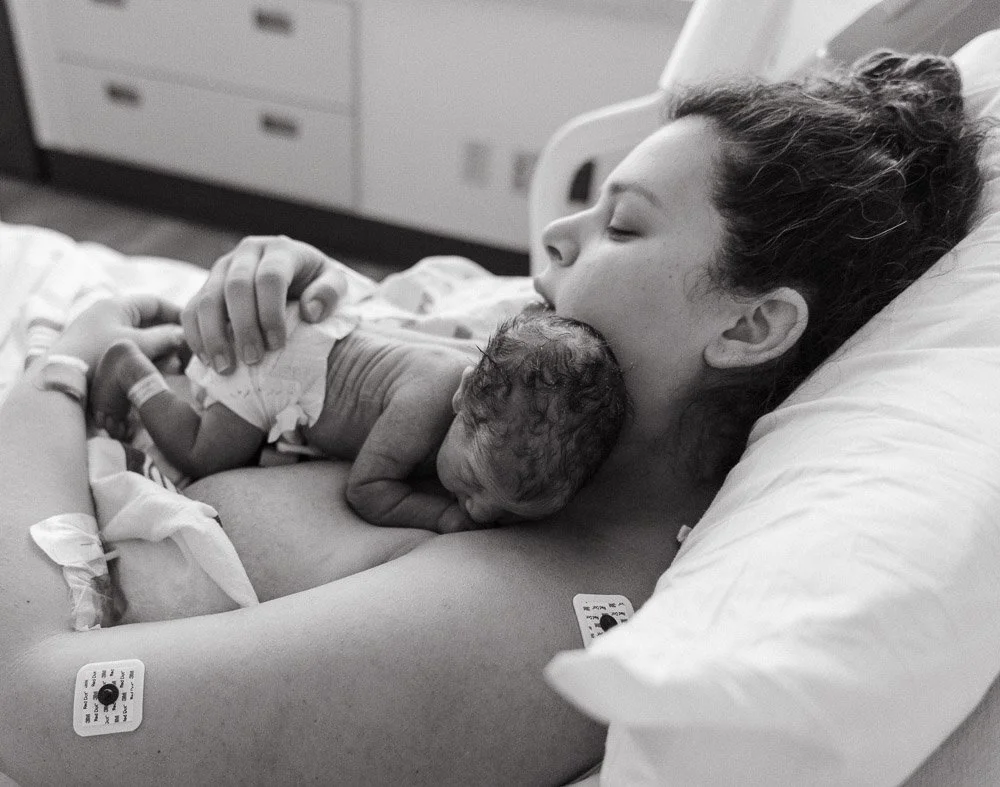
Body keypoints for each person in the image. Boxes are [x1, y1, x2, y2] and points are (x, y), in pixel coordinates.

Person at [0, 49, 986, 785]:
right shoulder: (532, 405)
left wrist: (60, 365)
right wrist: (294, 295)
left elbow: (42, 710)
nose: (554, 235)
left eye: (622, 223)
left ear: (753, 323)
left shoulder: (526, 609)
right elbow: (365, 352)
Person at [91, 310, 630, 531]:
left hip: (322, 339)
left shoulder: (491, 407)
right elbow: (367, 488)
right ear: (461, 401)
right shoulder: (424, 405)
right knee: (202, 452)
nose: (482, 511)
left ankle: (176, 344)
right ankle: (129, 368)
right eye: (470, 485)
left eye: (507, 509)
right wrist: (442, 517)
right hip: (279, 372)